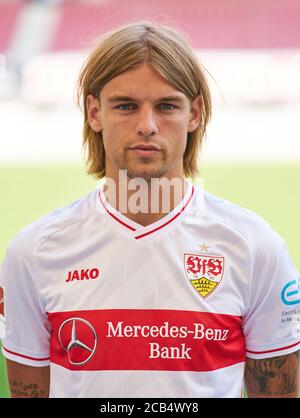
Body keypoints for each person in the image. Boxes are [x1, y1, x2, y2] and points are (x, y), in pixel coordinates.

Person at [0, 21, 299, 399]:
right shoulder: (34, 252)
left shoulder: (256, 248)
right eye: (125, 106)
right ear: (94, 112)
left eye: (166, 106)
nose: (147, 125)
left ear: (194, 113)